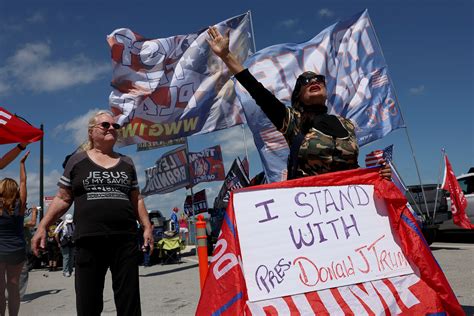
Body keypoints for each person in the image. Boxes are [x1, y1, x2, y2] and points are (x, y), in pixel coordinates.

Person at [206, 27, 391, 180]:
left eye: (318, 79)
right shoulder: (292, 120)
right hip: (309, 209)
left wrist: (377, 175)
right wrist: (226, 55)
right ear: (298, 97)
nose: (313, 81)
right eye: (305, 81)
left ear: (326, 92)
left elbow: (351, 168)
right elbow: (257, 91)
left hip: (345, 209)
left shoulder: (347, 125)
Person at [31, 110, 153, 316]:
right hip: (89, 240)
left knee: (129, 301)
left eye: (115, 126)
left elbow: (136, 198)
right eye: (105, 125)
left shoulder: (127, 163)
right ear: (91, 132)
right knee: (88, 302)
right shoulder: (77, 161)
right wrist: (42, 225)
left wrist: (147, 226)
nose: (112, 129)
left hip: (124, 239)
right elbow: (62, 198)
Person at [0, 150, 29, 316]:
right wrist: (21, 164)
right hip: (16, 250)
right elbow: (24, 183)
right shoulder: (19, 206)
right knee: (13, 287)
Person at [19, 205, 39, 300]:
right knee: (22, 272)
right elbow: (32, 223)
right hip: (19, 248)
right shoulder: (19, 216)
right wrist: (34, 212)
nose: (27, 208)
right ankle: (17, 297)